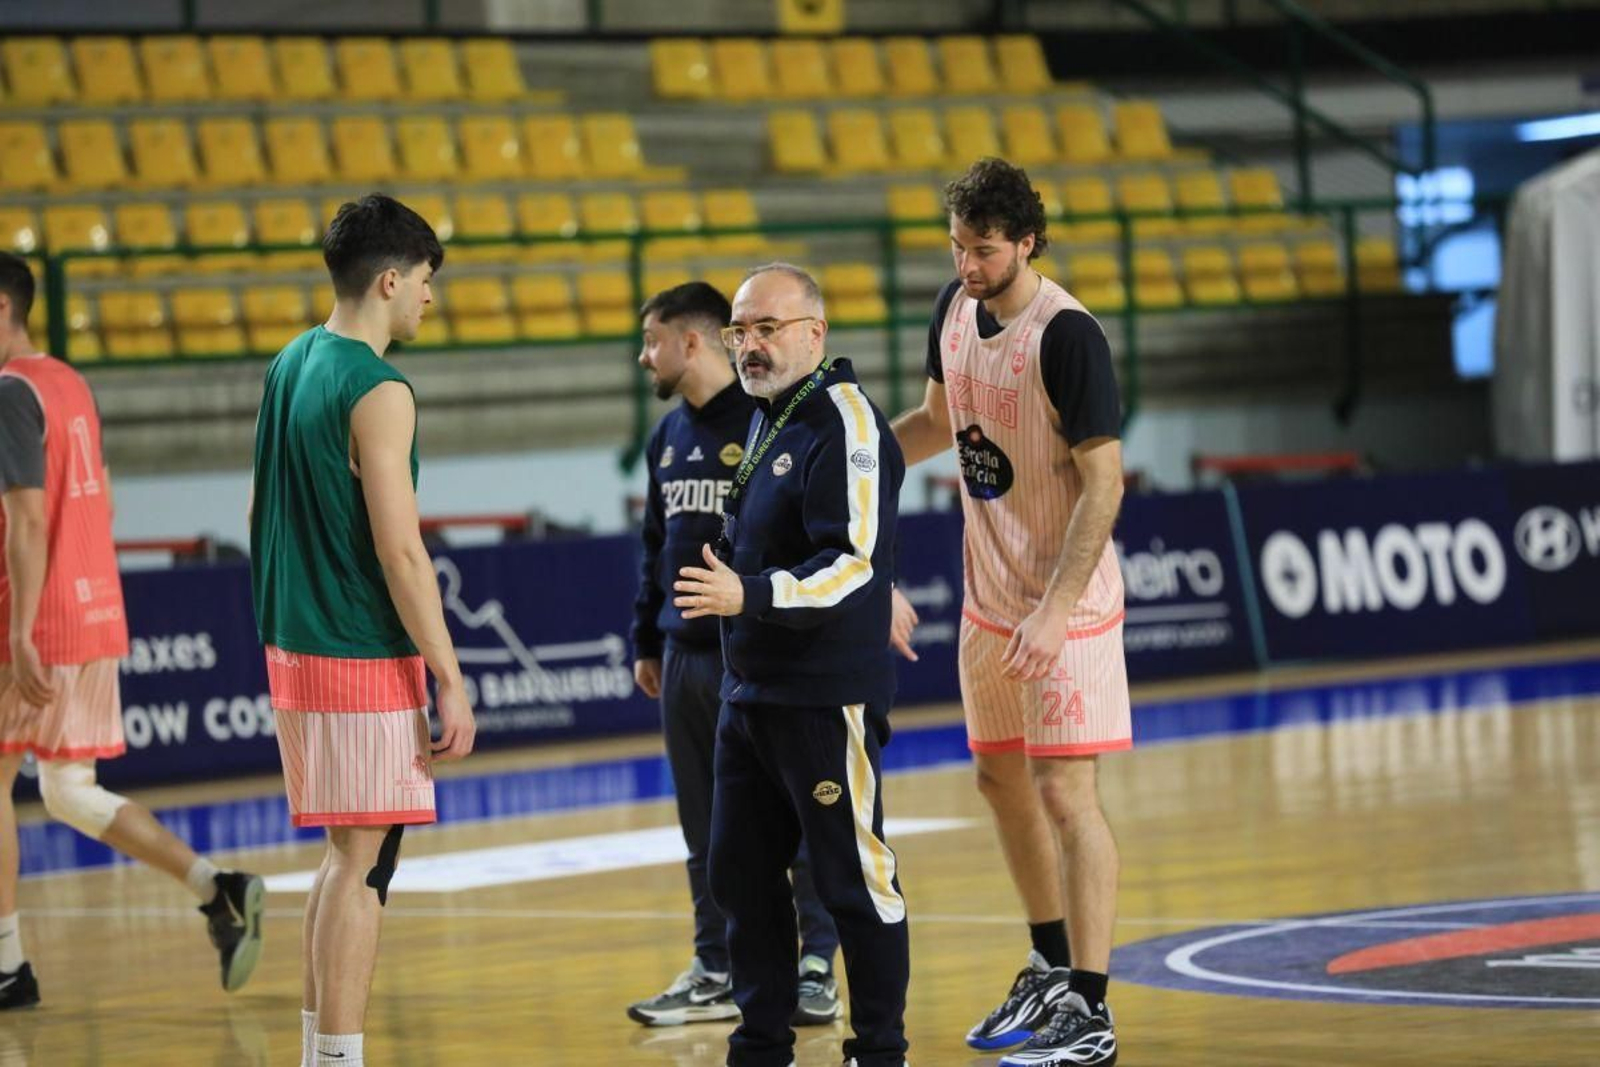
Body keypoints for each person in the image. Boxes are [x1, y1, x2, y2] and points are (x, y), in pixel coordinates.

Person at [889, 158, 1129, 1067]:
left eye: (984, 249)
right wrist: (851, 453)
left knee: (1068, 792)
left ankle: (1093, 1007)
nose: (967, 264)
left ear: (1026, 242)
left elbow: (1103, 483)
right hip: (990, 602)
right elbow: (931, 424)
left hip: (1066, 606)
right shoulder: (953, 310)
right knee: (998, 781)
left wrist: (1057, 609)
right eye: (957, 246)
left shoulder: (1067, 335)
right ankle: (1050, 961)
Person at [0, 251, 265, 1011]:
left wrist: (21, 629)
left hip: (40, 617)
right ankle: (219, 888)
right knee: (68, 791)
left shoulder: (10, 392)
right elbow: (102, 502)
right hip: (95, 610)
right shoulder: (70, 383)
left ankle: (8, 964)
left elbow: (23, 519)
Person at [250, 194, 476, 1067]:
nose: (428, 298)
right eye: (424, 282)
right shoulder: (378, 388)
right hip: (352, 642)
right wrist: (448, 674)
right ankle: (338, 1057)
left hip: (294, 639)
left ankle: (319, 1049)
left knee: (346, 854)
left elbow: (256, 506)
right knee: (362, 863)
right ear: (390, 279)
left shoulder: (290, 360)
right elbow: (402, 549)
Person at [675, 264, 909, 1067]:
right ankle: (760, 1045)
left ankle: (880, 1050)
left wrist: (748, 590)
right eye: (740, 331)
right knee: (739, 874)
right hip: (752, 695)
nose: (749, 345)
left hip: (822, 696)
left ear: (816, 331)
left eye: (766, 328)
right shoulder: (774, 417)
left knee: (853, 879)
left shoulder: (845, 419)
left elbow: (852, 560)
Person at [628, 282, 842, 1028]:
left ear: (693, 340)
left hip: (752, 653)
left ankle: (816, 965)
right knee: (705, 830)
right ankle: (715, 963)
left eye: (652, 340)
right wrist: (646, 637)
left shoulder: (764, 424)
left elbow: (823, 534)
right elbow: (655, 546)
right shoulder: (665, 439)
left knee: (796, 822)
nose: (643, 356)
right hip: (683, 656)